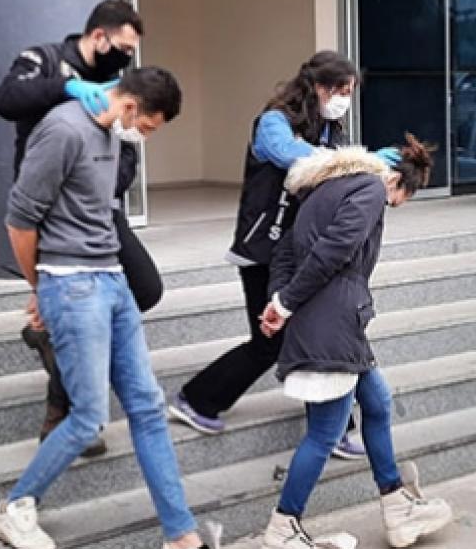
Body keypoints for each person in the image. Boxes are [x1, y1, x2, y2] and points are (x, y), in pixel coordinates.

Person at [0, 68, 219, 549]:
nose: (145, 136)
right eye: (148, 127)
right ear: (131, 106)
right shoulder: (63, 129)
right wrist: (41, 287)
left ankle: (181, 539)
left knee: (148, 408)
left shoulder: (111, 133)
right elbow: (19, 220)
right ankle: (15, 506)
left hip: (111, 279)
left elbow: (96, 213)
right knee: (88, 416)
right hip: (71, 285)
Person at [169, 51, 398, 459]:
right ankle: (198, 399)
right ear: (318, 87)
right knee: (271, 341)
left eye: (350, 93)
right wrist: (358, 162)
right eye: (341, 91)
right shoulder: (273, 123)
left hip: (297, 252)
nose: (344, 100)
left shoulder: (329, 133)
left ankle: (333, 428)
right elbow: (295, 157)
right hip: (263, 250)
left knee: (308, 334)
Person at [257, 135, 452, 549]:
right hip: (332, 325)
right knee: (325, 433)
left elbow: (284, 255)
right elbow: (337, 249)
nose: (391, 206)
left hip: (333, 322)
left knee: (377, 402)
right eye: (399, 200)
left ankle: (397, 505)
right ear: (395, 181)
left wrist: (279, 301)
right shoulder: (369, 188)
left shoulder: (320, 191)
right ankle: (282, 531)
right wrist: (284, 304)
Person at [0, 0, 160, 458]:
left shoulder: (119, 88)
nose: (126, 58)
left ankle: (54, 343)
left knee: (144, 288)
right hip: (52, 208)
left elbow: (126, 156)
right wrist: (68, 88)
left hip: (99, 208)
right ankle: (61, 414)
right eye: (123, 48)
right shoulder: (44, 60)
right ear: (99, 36)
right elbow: (5, 100)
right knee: (72, 301)